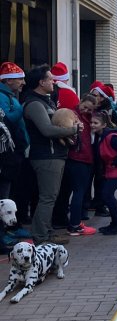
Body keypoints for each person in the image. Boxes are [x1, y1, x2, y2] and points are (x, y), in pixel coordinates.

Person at [22, 65, 80, 245]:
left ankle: (46, 232)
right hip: (46, 156)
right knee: (48, 197)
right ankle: (41, 235)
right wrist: (73, 129)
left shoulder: (45, 101)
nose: (54, 81)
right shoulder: (35, 104)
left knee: (50, 196)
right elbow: (47, 130)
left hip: (53, 155)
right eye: (50, 78)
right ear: (41, 82)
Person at [54, 95, 97, 236]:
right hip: (79, 158)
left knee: (66, 191)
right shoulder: (73, 116)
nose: (86, 110)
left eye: (90, 109)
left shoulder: (84, 117)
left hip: (76, 157)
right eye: (85, 107)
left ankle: (61, 220)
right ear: (80, 102)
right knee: (79, 192)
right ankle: (75, 225)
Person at [91, 111, 117, 235]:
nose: (92, 125)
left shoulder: (111, 137)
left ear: (104, 125)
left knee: (107, 194)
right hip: (114, 168)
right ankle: (116, 222)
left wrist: (115, 163)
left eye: (96, 123)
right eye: (92, 122)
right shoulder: (100, 136)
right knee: (107, 194)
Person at [0, 62, 29, 202]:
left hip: (14, 152)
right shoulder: (2, 96)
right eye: (20, 78)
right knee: (5, 194)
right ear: (9, 80)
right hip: (8, 154)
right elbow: (6, 121)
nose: (24, 82)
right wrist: (21, 109)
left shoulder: (9, 96)